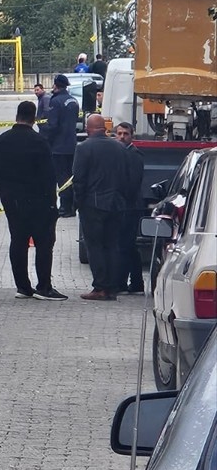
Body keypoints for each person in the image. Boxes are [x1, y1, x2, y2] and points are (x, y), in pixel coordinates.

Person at [0, 101, 66, 300]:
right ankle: (44, 287)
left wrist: (4, 194)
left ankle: (23, 287)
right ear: (34, 118)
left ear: (17, 115)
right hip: (39, 203)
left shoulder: (2, 141)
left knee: (18, 241)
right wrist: (52, 202)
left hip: (13, 202)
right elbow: (49, 176)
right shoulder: (39, 142)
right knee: (43, 243)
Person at [73, 113, 131, 301]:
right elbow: (127, 177)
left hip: (93, 205)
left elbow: (79, 180)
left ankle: (100, 287)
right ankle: (113, 287)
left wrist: (78, 203)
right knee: (112, 245)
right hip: (117, 204)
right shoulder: (120, 148)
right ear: (105, 129)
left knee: (95, 246)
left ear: (88, 130)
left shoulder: (83, 148)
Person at [113, 121, 145, 295]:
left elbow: (131, 184)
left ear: (132, 135)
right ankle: (136, 282)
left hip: (129, 207)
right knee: (129, 246)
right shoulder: (120, 153)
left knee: (124, 245)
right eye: (119, 133)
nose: (122, 137)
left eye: (125, 134)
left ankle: (122, 283)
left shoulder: (133, 155)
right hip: (125, 206)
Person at [44, 74, 80, 217]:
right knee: (71, 176)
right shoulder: (73, 100)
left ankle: (65, 208)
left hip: (58, 146)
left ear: (56, 85)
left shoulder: (56, 101)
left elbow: (53, 125)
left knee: (62, 178)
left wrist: (44, 136)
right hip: (71, 143)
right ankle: (72, 206)